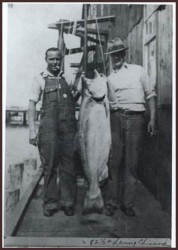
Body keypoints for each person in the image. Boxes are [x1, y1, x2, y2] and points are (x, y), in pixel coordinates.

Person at [103, 38, 157, 217]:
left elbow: (150, 95)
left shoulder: (138, 70)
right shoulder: (108, 78)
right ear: (110, 57)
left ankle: (127, 204)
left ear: (124, 54)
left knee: (132, 163)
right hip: (116, 118)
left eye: (119, 53)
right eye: (112, 55)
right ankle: (112, 202)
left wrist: (152, 120)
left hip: (137, 119)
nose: (116, 57)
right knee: (115, 162)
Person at [28, 47, 77, 217]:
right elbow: (32, 105)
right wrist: (32, 131)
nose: (55, 62)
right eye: (52, 59)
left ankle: (68, 201)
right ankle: (50, 202)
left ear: (61, 59)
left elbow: (76, 98)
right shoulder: (39, 79)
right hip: (48, 129)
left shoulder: (68, 78)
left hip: (68, 129)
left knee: (69, 165)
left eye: (57, 59)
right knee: (49, 165)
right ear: (46, 60)